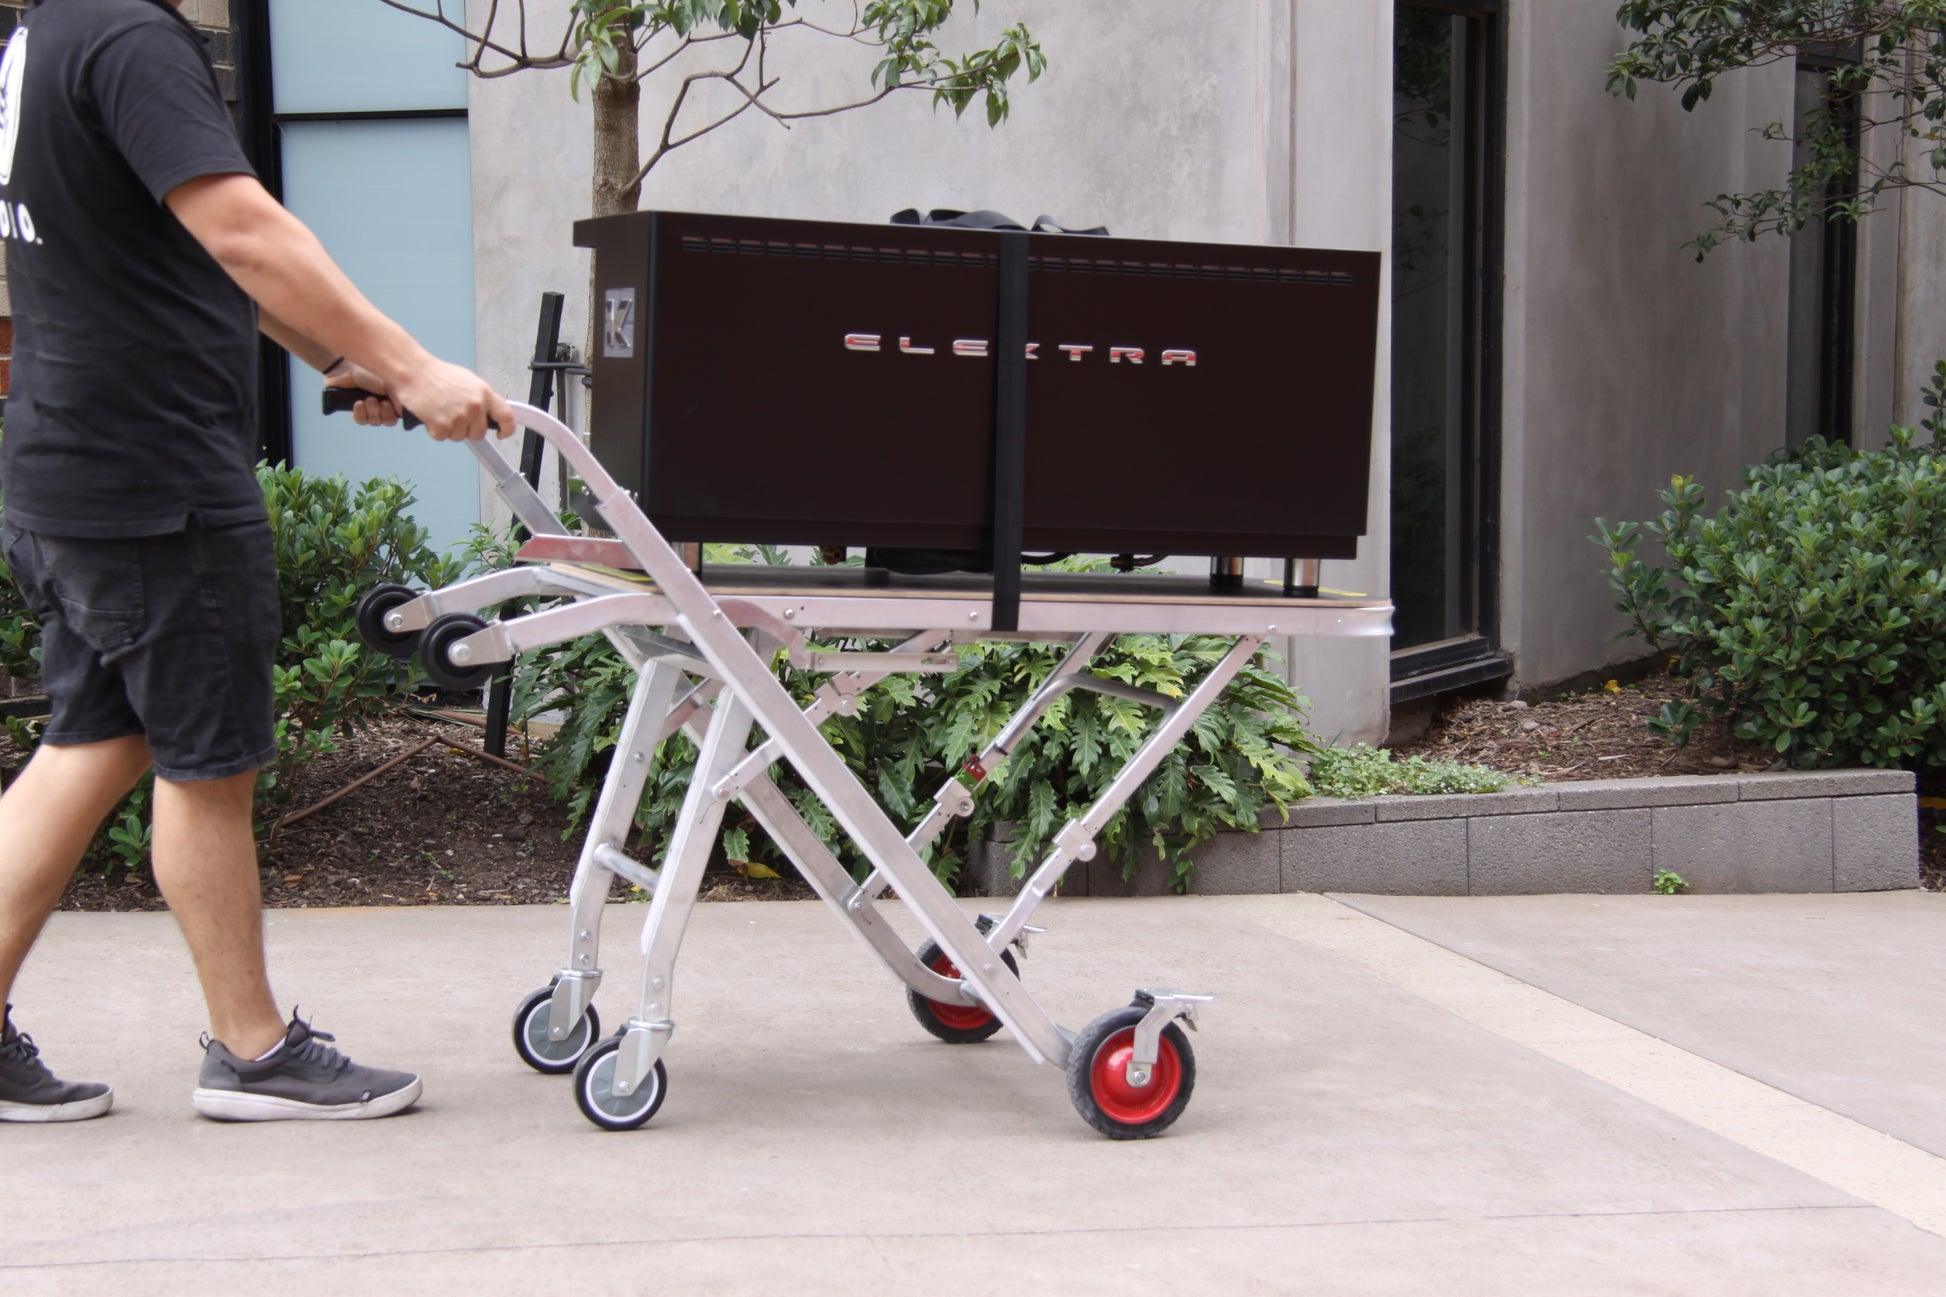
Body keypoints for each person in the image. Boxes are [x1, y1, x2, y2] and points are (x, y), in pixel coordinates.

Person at [0, 0, 513, 1122]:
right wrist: (414, 364)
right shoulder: (131, 39)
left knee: (92, 739)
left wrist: (345, 358)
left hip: (70, 460)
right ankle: (251, 1051)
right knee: (206, 765)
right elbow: (244, 231)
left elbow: (191, 254)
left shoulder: (45, 35)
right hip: (154, 479)